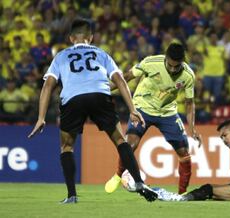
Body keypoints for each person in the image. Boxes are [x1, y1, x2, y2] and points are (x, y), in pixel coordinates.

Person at [27, 18, 157, 203]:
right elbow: (120, 80)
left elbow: (48, 86)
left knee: (67, 146)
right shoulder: (101, 53)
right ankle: (139, 182)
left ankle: (72, 195)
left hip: (72, 98)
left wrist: (41, 117)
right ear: (91, 37)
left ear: (71, 38)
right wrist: (132, 109)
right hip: (100, 94)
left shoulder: (61, 56)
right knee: (120, 140)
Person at [105, 42, 202, 194]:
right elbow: (127, 77)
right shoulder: (151, 62)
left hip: (167, 112)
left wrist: (192, 129)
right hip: (142, 107)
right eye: (170, 65)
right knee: (130, 144)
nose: (172, 69)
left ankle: (182, 193)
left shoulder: (188, 76)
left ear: (183, 62)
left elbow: (189, 103)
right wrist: (103, 89)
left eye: (177, 67)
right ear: (166, 58)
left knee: (184, 152)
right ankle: (118, 175)